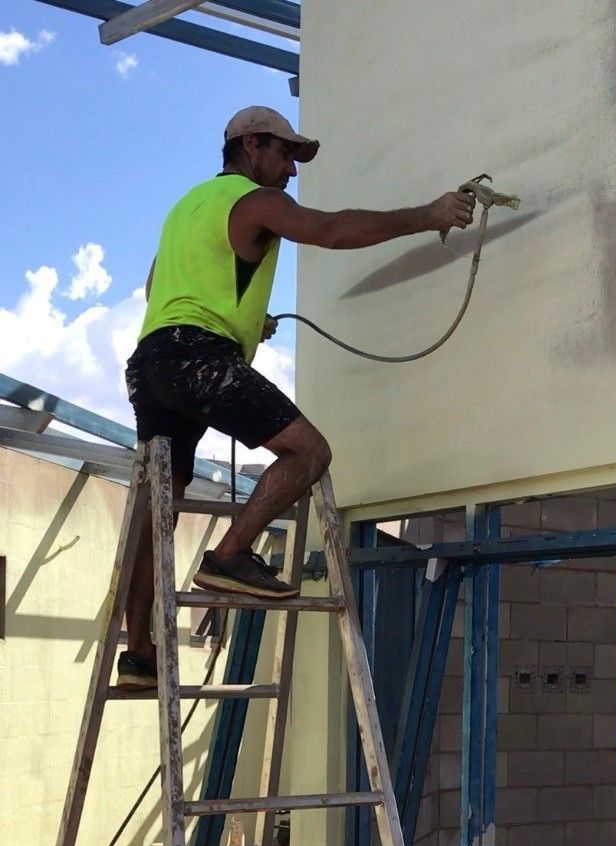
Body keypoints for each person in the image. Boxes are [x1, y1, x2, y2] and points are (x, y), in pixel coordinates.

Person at [119, 106, 476, 690]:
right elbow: (332, 229)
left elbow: (162, 283)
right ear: (251, 145)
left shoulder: (186, 208)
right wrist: (429, 214)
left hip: (152, 361)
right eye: (285, 155)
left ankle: (137, 652)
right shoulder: (253, 199)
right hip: (197, 356)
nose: (290, 171)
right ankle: (230, 555)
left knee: (162, 499)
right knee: (309, 453)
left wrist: (238, 323)